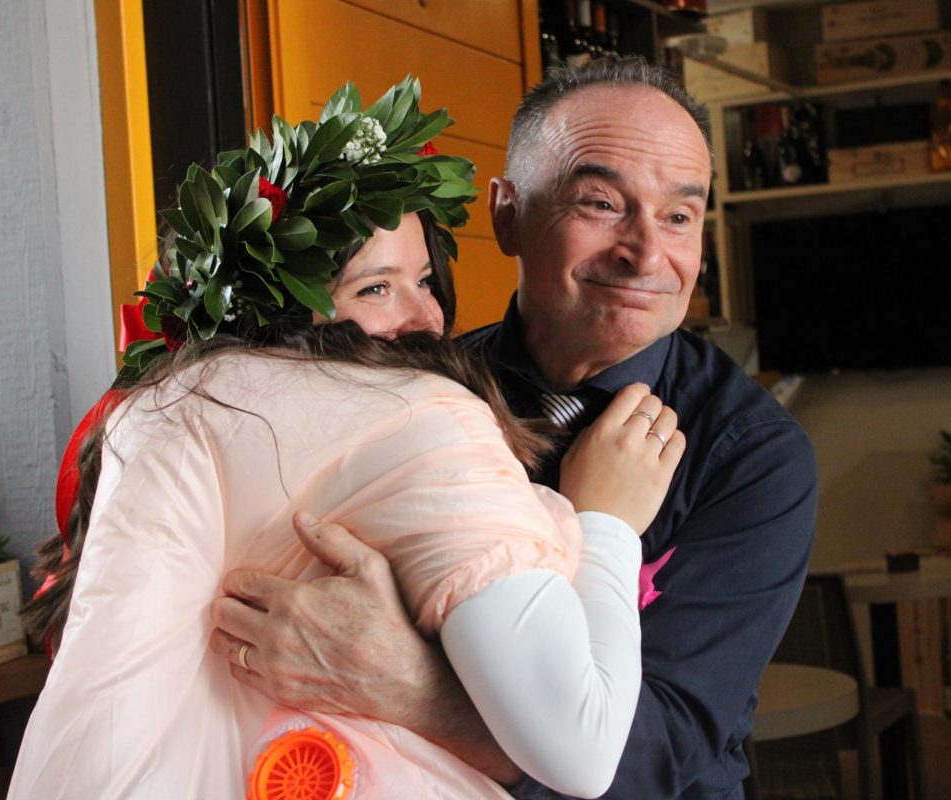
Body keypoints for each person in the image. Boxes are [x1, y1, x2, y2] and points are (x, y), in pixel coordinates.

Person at [9, 77, 686, 800]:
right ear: (283, 310)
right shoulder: (426, 417)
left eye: (425, 280)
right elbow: (583, 751)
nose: (428, 317)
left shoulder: (157, 408)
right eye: (374, 288)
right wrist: (607, 526)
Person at [210, 58, 818, 799]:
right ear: (507, 215)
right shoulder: (408, 390)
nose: (647, 253)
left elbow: (644, 757)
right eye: (601, 203)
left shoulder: (751, 457)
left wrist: (403, 684)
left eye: (679, 216)